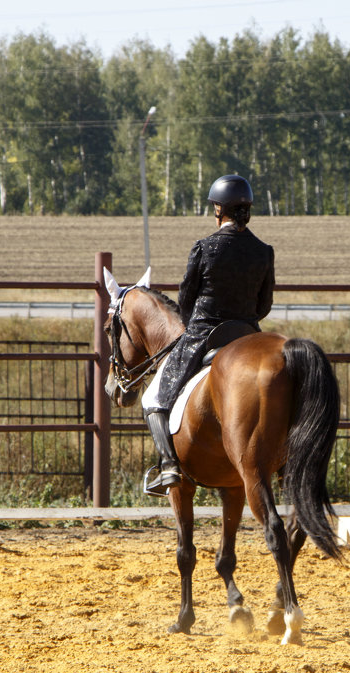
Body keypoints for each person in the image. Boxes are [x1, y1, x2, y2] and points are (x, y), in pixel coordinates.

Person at [141, 174, 276, 495]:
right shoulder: (263, 250)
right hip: (247, 335)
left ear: (219, 209)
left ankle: (169, 467)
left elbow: (186, 299)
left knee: (153, 398)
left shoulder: (204, 247)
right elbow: (264, 304)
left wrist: (193, 324)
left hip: (204, 334)